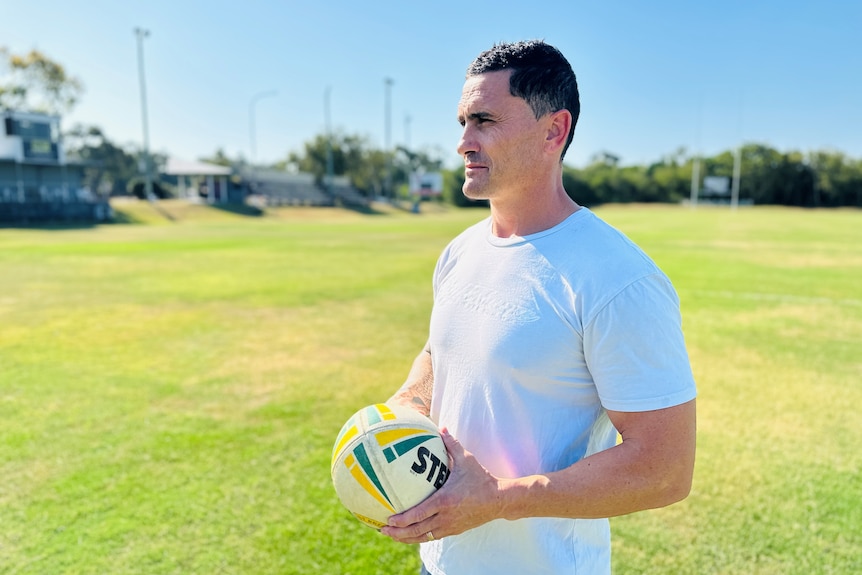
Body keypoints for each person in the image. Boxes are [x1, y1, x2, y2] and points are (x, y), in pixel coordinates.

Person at [381, 40, 697, 575]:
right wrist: (407, 406)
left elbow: (665, 469)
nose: (463, 142)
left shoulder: (618, 277)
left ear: (554, 131)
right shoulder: (459, 252)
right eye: (462, 121)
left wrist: (501, 498)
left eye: (484, 120)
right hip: (439, 562)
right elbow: (440, 354)